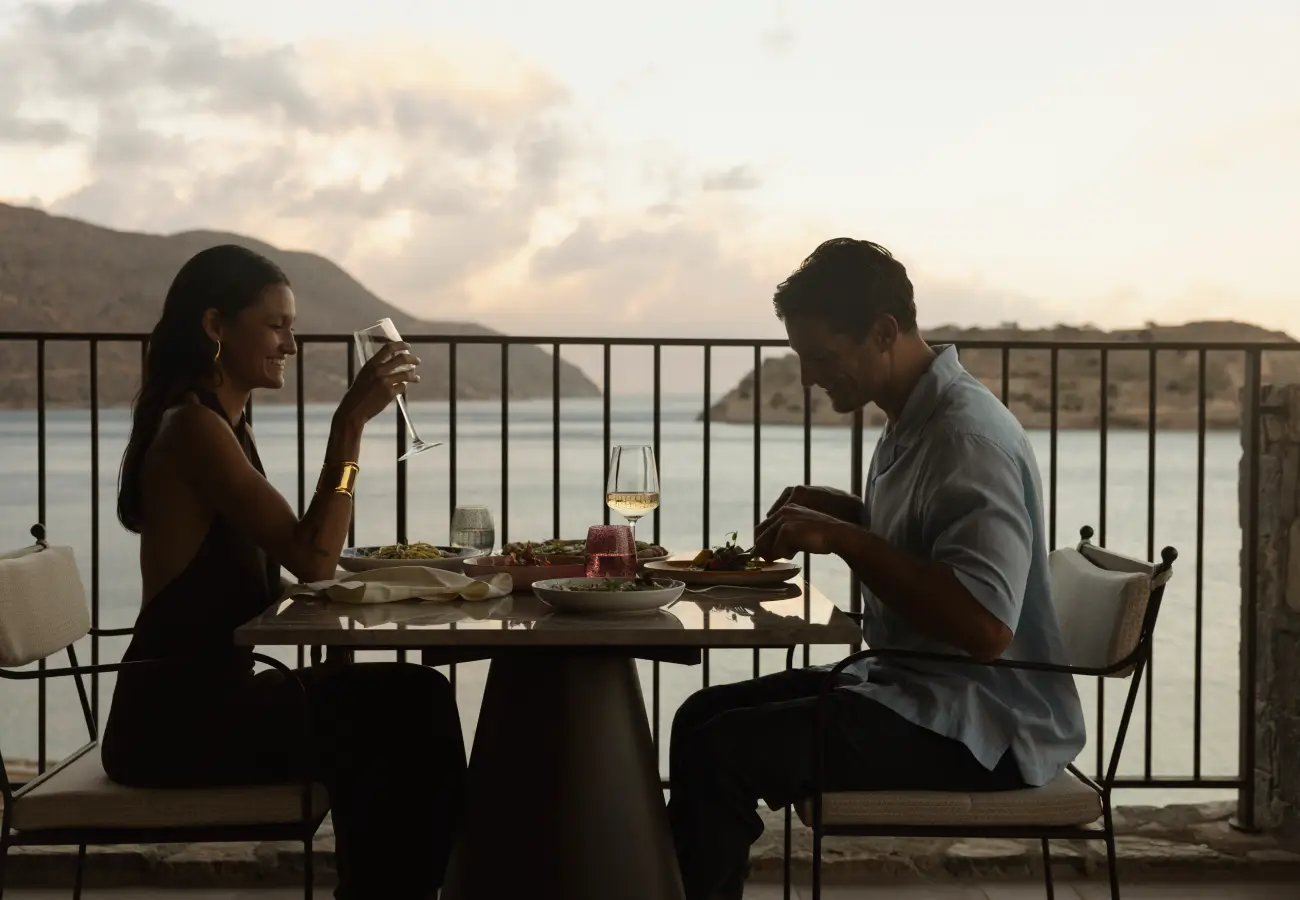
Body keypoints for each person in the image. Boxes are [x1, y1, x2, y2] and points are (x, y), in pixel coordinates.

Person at [666, 238, 1086, 900]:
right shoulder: (914, 418)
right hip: (913, 687)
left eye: (821, 357)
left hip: (985, 726)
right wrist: (852, 515)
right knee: (700, 717)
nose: (809, 379)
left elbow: (984, 627)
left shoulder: (965, 437)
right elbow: (931, 547)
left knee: (723, 752)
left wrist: (848, 540)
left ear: (884, 332)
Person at [100, 245, 465, 900]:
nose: (290, 345)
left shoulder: (223, 424)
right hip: (174, 728)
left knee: (406, 703)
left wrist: (381, 586)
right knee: (411, 710)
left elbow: (286, 570)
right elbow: (313, 556)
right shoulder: (193, 429)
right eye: (276, 326)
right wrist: (350, 424)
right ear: (215, 326)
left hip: (207, 707)